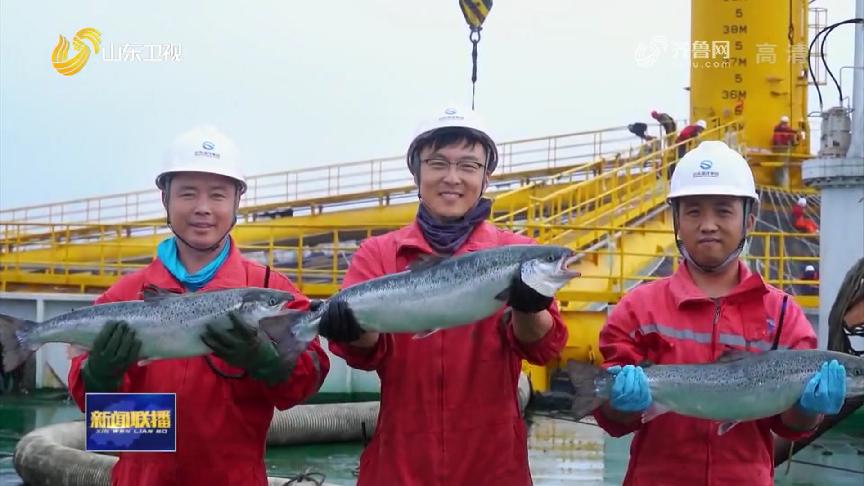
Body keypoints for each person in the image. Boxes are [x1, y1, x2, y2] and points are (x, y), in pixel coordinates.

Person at [317, 105, 569, 485]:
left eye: (468, 166)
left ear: (486, 178)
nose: (452, 178)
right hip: (399, 467)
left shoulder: (517, 249)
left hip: (494, 469)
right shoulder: (379, 254)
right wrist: (352, 327)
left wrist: (530, 308)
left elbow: (542, 347)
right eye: (438, 163)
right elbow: (365, 355)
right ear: (416, 173)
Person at [66, 126, 330, 486]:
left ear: (237, 202)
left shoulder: (271, 290)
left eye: (218, 196)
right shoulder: (123, 297)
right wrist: (100, 378)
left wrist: (269, 362)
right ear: (165, 199)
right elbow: (107, 425)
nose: (203, 209)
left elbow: (305, 381)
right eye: (188, 193)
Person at [591, 141, 846, 486]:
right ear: (676, 221)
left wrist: (810, 408)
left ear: (749, 220)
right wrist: (621, 402)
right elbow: (614, 419)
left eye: (723, 211)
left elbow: (791, 425)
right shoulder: (637, 308)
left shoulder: (783, 313)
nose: (708, 224)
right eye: (694, 211)